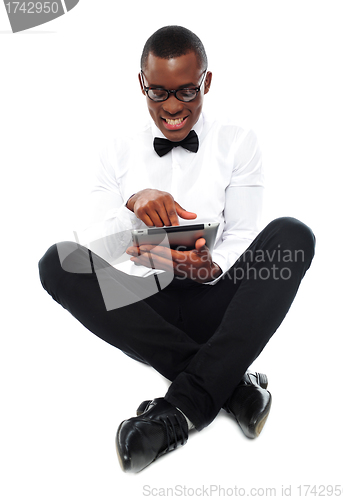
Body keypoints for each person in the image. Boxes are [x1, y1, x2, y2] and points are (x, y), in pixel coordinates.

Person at [38, 25, 315, 473]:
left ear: (206, 82)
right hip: (146, 310)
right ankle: (230, 387)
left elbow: (245, 235)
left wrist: (211, 266)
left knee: (292, 235)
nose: (172, 108)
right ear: (141, 84)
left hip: (217, 302)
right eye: (159, 92)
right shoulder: (116, 150)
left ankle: (180, 411)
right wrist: (133, 205)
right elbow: (88, 247)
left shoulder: (238, 142)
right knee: (57, 262)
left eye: (187, 91)